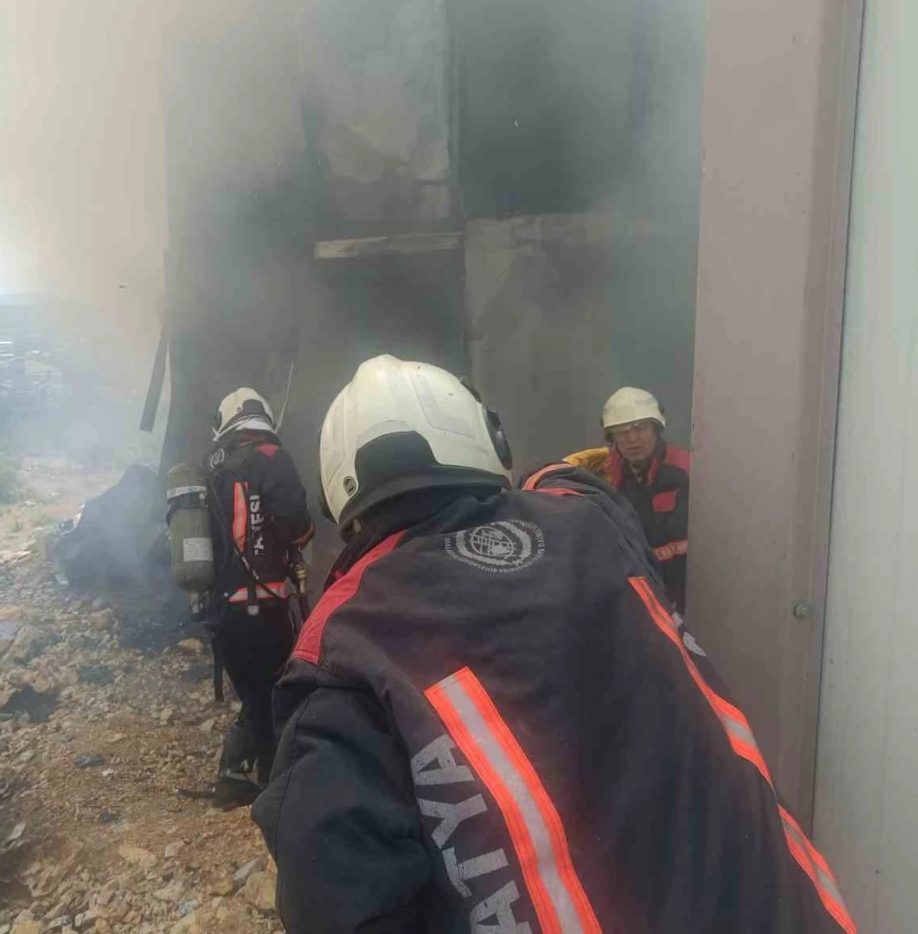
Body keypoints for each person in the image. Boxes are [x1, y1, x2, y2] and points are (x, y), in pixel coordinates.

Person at [253, 355, 855, 934]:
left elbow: (337, 898)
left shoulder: (344, 647)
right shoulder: (592, 525)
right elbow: (582, 491)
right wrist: (542, 476)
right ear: (492, 444)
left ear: (338, 501)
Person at [202, 387, 313, 805]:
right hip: (262, 606)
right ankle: (267, 781)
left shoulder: (214, 468)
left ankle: (243, 777)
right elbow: (297, 524)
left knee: (255, 694)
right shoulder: (269, 457)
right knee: (275, 692)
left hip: (222, 613)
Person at [597, 386, 690, 611]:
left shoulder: (687, 471)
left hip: (685, 592)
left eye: (640, 428)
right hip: (636, 592)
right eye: (621, 432)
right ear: (612, 438)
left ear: (657, 428)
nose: (632, 439)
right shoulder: (605, 475)